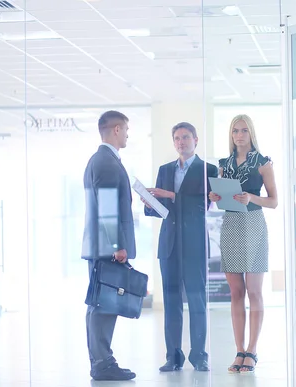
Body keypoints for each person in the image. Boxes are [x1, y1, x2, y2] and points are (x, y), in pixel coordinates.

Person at [143, 122, 218, 372]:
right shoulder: (165, 170)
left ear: (196, 140)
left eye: (186, 137)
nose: (181, 142)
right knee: (171, 302)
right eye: (176, 138)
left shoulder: (209, 169)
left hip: (195, 245)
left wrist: (172, 196)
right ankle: (173, 357)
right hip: (170, 246)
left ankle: (199, 356)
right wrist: (149, 201)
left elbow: (203, 206)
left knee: (197, 302)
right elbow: (160, 211)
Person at [209, 114, 278, 374]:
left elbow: (273, 201)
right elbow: (220, 200)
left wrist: (251, 197)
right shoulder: (224, 164)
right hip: (231, 225)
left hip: (253, 225)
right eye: (235, 131)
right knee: (236, 292)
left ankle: (253, 350)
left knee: (254, 291)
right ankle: (239, 351)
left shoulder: (263, 163)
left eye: (244, 131)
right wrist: (214, 196)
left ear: (251, 134)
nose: (239, 135)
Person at [81, 110, 136, 381]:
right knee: (103, 306)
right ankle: (102, 363)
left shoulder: (101, 160)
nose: (127, 134)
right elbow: (106, 207)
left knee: (100, 305)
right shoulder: (106, 161)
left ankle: (101, 361)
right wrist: (118, 245)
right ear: (116, 130)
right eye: (126, 129)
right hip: (107, 248)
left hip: (101, 246)